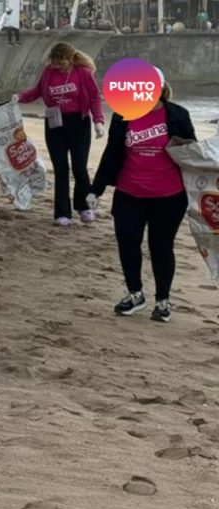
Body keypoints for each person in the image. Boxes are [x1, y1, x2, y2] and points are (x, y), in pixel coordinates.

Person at [89, 68, 196, 322]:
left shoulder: (178, 115)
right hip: (129, 193)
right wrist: (96, 189)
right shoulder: (122, 116)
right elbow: (112, 153)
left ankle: (162, 301)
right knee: (127, 243)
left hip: (169, 196)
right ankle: (135, 294)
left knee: (161, 247)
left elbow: (192, 154)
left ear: (159, 89)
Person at [14, 42, 105, 226]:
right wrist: (20, 97)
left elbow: (95, 98)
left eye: (60, 63)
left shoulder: (83, 73)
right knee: (61, 169)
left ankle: (84, 206)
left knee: (80, 168)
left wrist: (98, 121)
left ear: (70, 60)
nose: (56, 66)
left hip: (79, 123)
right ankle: (62, 213)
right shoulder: (49, 72)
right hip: (55, 124)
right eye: (54, 63)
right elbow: (37, 91)